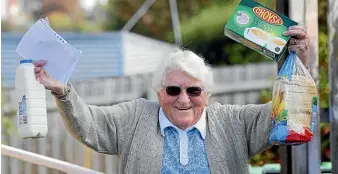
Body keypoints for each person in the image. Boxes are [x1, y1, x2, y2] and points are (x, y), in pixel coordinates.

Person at [34, 25, 310, 174]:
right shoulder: (135, 118)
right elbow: (89, 125)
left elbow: (286, 113)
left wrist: (300, 59)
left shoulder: (234, 122)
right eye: (173, 90)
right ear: (158, 92)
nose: (183, 99)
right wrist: (63, 91)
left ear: (208, 95)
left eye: (193, 91)